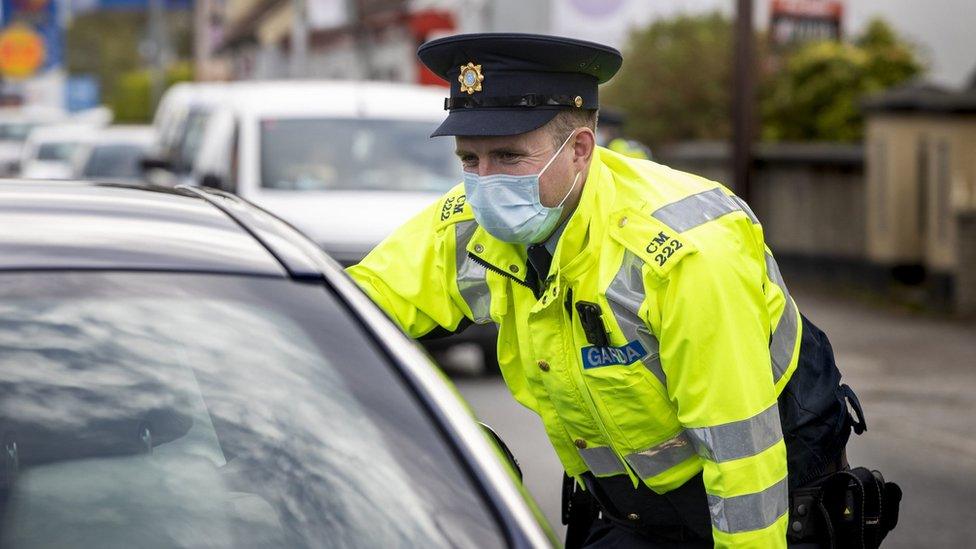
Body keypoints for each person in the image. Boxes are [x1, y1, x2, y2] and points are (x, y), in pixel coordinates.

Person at [347, 33, 898, 548]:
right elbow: (346, 315)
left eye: (510, 157)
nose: (485, 182)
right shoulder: (467, 225)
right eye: (470, 159)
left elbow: (741, 453)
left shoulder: (686, 252)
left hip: (770, 492)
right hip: (627, 506)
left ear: (581, 148)